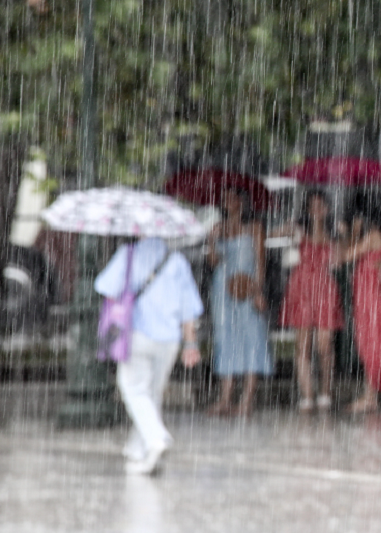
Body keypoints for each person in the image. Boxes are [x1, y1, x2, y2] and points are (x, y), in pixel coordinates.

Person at [95, 237, 204, 475]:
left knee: (133, 388)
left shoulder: (129, 254)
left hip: (137, 335)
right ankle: (140, 450)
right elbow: (189, 308)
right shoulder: (177, 260)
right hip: (170, 340)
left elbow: (105, 287)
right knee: (152, 393)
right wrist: (191, 343)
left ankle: (156, 439)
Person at [205, 188, 273, 416]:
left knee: (252, 336)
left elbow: (261, 264)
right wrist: (212, 241)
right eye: (225, 198)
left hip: (247, 286)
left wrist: (258, 291)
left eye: (233, 197)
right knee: (226, 338)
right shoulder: (219, 229)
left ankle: (247, 398)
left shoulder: (254, 228)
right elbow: (213, 262)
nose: (228, 202)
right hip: (223, 288)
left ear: (242, 202)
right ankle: (225, 398)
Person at [275, 190, 343, 412]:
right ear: (307, 209)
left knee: (324, 345)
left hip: (325, 290)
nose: (315, 210)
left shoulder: (334, 235)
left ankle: (325, 391)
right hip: (301, 288)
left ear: (327, 209)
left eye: (320, 205)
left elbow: (340, 263)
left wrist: (345, 236)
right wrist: (288, 229)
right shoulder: (299, 232)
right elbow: (272, 234)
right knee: (302, 345)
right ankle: (307, 395)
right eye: (311, 206)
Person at [336, 205, 381, 413]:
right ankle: (370, 394)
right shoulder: (375, 236)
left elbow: (346, 256)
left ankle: (370, 396)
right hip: (366, 300)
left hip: (371, 301)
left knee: (372, 344)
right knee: (369, 345)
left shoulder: (373, 235)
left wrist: (350, 232)